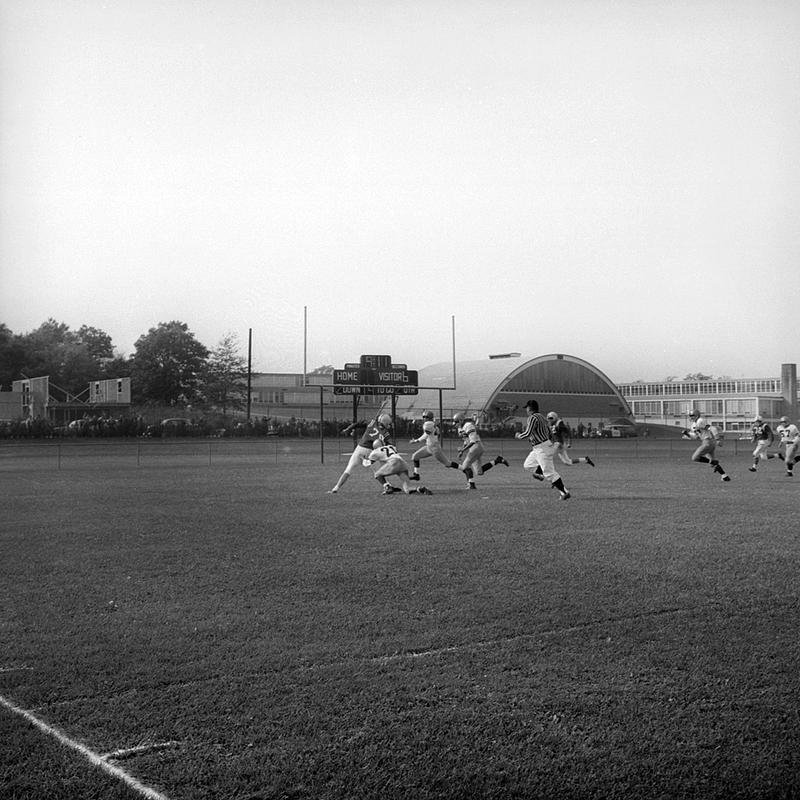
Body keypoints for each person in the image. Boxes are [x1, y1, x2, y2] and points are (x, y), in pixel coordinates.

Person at [514, 399, 571, 500]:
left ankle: (564, 492)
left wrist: (519, 435)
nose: (526, 410)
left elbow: (527, 433)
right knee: (528, 465)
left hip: (542, 448)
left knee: (550, 473)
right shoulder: (542, 417)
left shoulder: (532, 418)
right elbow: (548, 432)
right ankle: (541, 473)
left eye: (527, 408)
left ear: (530, 408)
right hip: (539, 447)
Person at [328, 413, 393, 493]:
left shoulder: (372, 423)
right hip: (372, 451)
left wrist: (348, 429)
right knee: (377, 471)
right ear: (385, 423)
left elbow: (358, 424)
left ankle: (335, 488)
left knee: (349, 469)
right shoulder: (386, 433)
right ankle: (387, 486)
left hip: (360, 448)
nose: (389, 426)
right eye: (388, 424)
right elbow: (390, 444)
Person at [453, 412, 510, 489]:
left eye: (456, 422)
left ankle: (471, 485)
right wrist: (462, 450)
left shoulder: (468, 426)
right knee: (479, 472)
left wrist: (463, 450)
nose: (454, 424)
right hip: (474, 448)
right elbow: (466, 441)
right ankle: (497, 460)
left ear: (460, 420)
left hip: (476, 447)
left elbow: (473, 441)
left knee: (465, 467)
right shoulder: (460, 428)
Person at [409, 410, 459, 481]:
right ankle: (416, 475)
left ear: (429, 417)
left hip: (434, 448)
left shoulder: (428, 424)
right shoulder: (432, 424)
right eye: (423, 417)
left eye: (425, 417)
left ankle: (463, 468)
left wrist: (416, 441)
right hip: (429, 447)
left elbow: (426, 435)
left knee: (447, 464)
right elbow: (429, 434)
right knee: (415, 457)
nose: (424, 418)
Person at [681, 410, 731, 482]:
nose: (691, 417)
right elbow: (695, 437)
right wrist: (687, 434)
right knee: (712, 462)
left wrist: (718, 439)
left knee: (695, 458)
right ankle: (724, 476)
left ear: (697, 416)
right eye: (690, 416)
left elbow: (713, 428)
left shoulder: (700, 421)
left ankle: (713, 462)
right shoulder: (694, 425)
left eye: (692, 416)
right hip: (708, 442)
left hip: (707, 442)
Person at [368, 441, 433, 495]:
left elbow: (371, 462)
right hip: (403, 464)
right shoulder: (391, 447)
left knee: (377, 474)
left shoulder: (375, 451)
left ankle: (387, 487)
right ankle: (420, 489)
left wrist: (365, 460)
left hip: (394, 462)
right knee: (407, 489)